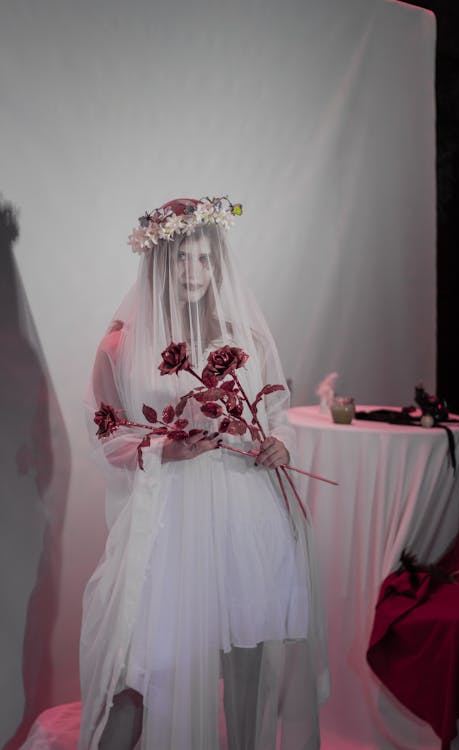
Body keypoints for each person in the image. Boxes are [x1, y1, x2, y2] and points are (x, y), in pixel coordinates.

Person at [79, 196, 330, 750]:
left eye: (204, 259)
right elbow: (107, 431)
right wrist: (163, 450)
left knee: (247, 657)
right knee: (145, 662)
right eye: (181, 260)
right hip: (171, 519)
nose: (194, 272)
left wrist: (278, 445)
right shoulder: (122, 345)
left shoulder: (249, 340)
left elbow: (277, 413)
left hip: (245, 511)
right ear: (157, 264)